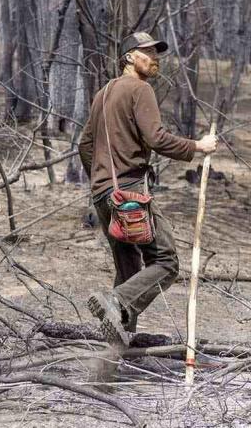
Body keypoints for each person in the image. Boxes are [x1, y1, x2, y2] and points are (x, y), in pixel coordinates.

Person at [78, 31, 217, 346]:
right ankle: (115, 301)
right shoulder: (140, 89)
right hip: (128, 194)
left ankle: (115, 353)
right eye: (148, 52)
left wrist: (101, 181)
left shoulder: (103, 93)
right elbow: (156, 138)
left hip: (104, 195)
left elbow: (84, 146)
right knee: (166, 262)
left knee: (129, 273)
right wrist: (198, 145)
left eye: (157, 53)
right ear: (129, 57)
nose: (155, 59)